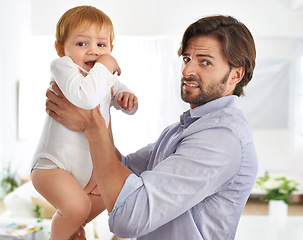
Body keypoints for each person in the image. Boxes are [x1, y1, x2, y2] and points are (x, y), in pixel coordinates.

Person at [45, 15, 258, 240]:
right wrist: (101, 106)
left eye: (205, 62)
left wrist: (92, 124)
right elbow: (120, 168)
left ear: (236, 74)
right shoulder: (180, 130)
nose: (187, 71)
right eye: (187, 59)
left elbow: (129, 218)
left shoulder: (222, 138)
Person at [30, 5, 138, 240]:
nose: (93, 51)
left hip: (89, 170)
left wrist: (127, 99)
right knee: (77, 207)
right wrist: (106, 64)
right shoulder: (64, 68)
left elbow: (122, 99)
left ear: (110, 47)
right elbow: (86, 97)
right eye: (82, 44)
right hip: (52, 166)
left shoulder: (103, 78)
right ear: (61, 48)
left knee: (108, 195)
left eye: (101, 45)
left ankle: (71, 226)